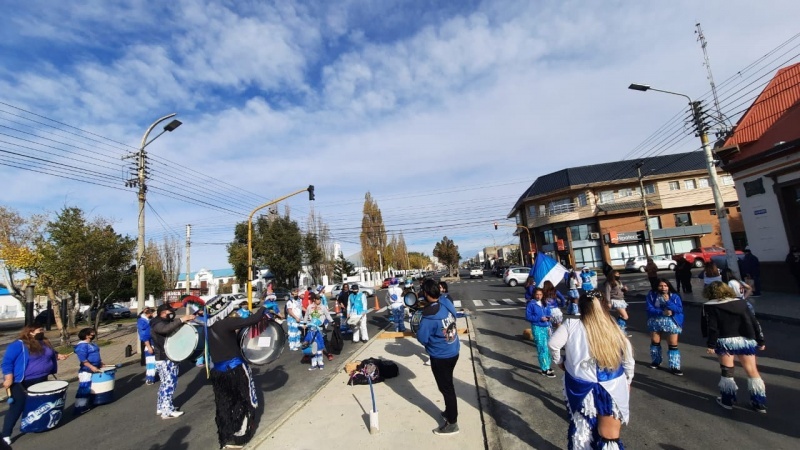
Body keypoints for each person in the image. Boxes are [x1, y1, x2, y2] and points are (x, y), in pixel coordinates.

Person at [549, 290, 634, 450]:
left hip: (580, 386)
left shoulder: (571, 324)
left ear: (580, 307)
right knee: (610, 435)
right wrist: (628, 379)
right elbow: (628, 355)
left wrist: (560, 361)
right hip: (612, 385)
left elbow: (553, 344)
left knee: (582, 431)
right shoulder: (612, 325)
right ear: (603, 307)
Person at [204, 295, 268, 449]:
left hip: (218, 372)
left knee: (224, 404)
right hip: (235, 369)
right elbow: (252, 320)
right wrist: (264, 307)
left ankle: (226, 437)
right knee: (244, 401)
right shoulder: (226, 323)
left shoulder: (207, 326)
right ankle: (240, 435)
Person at [701, 281, 767, 413]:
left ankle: (727, 400)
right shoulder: (741, 303)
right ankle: (758, 403)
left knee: (727, 371)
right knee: (752, 370)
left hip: (725, 340)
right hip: (746, 339)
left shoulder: (709, 306)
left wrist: (711, 344)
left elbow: (712, 327)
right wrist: (760, 340)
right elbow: (754, 322)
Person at [2, 325, 68, 445]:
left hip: (42, 378)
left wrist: (58, 356)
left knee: (40, 404)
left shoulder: (44, 342)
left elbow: (51, 353)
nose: (42, 332)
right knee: (17, 407)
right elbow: (7, 362)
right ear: (30, 332)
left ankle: (39, 424)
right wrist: (8, 378)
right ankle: (6, 435)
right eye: (40, 330)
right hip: (22, 381)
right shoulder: (18, 345)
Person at [416, 278, 461, 436]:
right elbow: (455, 316)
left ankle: (452, 423)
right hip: (454, 351)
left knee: (446, 388)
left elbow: (421, 337)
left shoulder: (428, 316)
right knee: (448, 385)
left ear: (426, 294)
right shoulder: (446, 302)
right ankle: (449, 411)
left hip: (441, 357)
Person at [150, 303, 196, 419]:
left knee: (165, 384)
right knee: (169, 384)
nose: (172, 314)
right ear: (164, 312)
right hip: (165, 358)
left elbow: (171, 327)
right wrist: (182, 319)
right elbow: (165, 329)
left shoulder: (161, 321)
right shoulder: (157, 323)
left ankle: (161, 407)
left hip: (166, 357)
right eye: (170, 312)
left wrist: (184, 322)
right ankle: (167, 411)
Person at [646, 279, 684, 375]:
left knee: (672, 343)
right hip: (656, 320)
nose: (663, 288)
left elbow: (679, 309)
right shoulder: (651, 295)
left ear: (669, 286)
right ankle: (656, 361)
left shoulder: (675, 296)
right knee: (655, 341)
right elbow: (649, 309)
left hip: (672, 320)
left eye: (665, 286)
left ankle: (674, 366)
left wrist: (668, 301)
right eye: (661, 286)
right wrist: (661, 312)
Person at [525, 288, 555, 378]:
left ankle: (548, 366)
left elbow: (549, 312)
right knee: (541, 348)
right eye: (537, 294)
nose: (539, 296)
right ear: (534, 294)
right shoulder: (531, 304)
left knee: (547, 347)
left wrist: (549, 317)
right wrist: (539, 318)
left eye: (540, 294)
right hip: (537, 327)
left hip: (547, 327)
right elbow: (528, 316)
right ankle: (544, 369)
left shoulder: (544, 303)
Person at [74, 327, 104, 414]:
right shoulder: (82, 346)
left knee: (92, 387)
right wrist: (91, 367)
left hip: (94, 368)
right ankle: (79, 407)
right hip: (86, 370)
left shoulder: (92, 344)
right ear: (87, 336)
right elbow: (83, 360)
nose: (93, 334)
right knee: (84, 387)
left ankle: (88, 402)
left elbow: (96, 355)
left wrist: (101, 363)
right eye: (91, 333)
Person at [604, 270, 629, 335]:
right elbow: (607, 293)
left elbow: (621, 290)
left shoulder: (619, 282)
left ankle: (620, 330)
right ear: (613, 275)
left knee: (621, 315)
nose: (618, 275)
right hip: (615, 300)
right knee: (625, 316)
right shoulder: (609, 283)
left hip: (621, 299)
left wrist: (624, 290)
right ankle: (619, 330)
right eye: (617, 274)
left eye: (619, 274)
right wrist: (608, 302)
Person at [137, 307, 157, 385]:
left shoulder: (148, 320)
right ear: (150, 313)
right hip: (148, 343)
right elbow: (144, 335)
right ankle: (149, 378)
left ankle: (152, 377)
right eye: (153, 313)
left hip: (152, 342)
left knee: (154, 362)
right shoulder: (142, 321)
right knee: (151, 362)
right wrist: (148, 346)